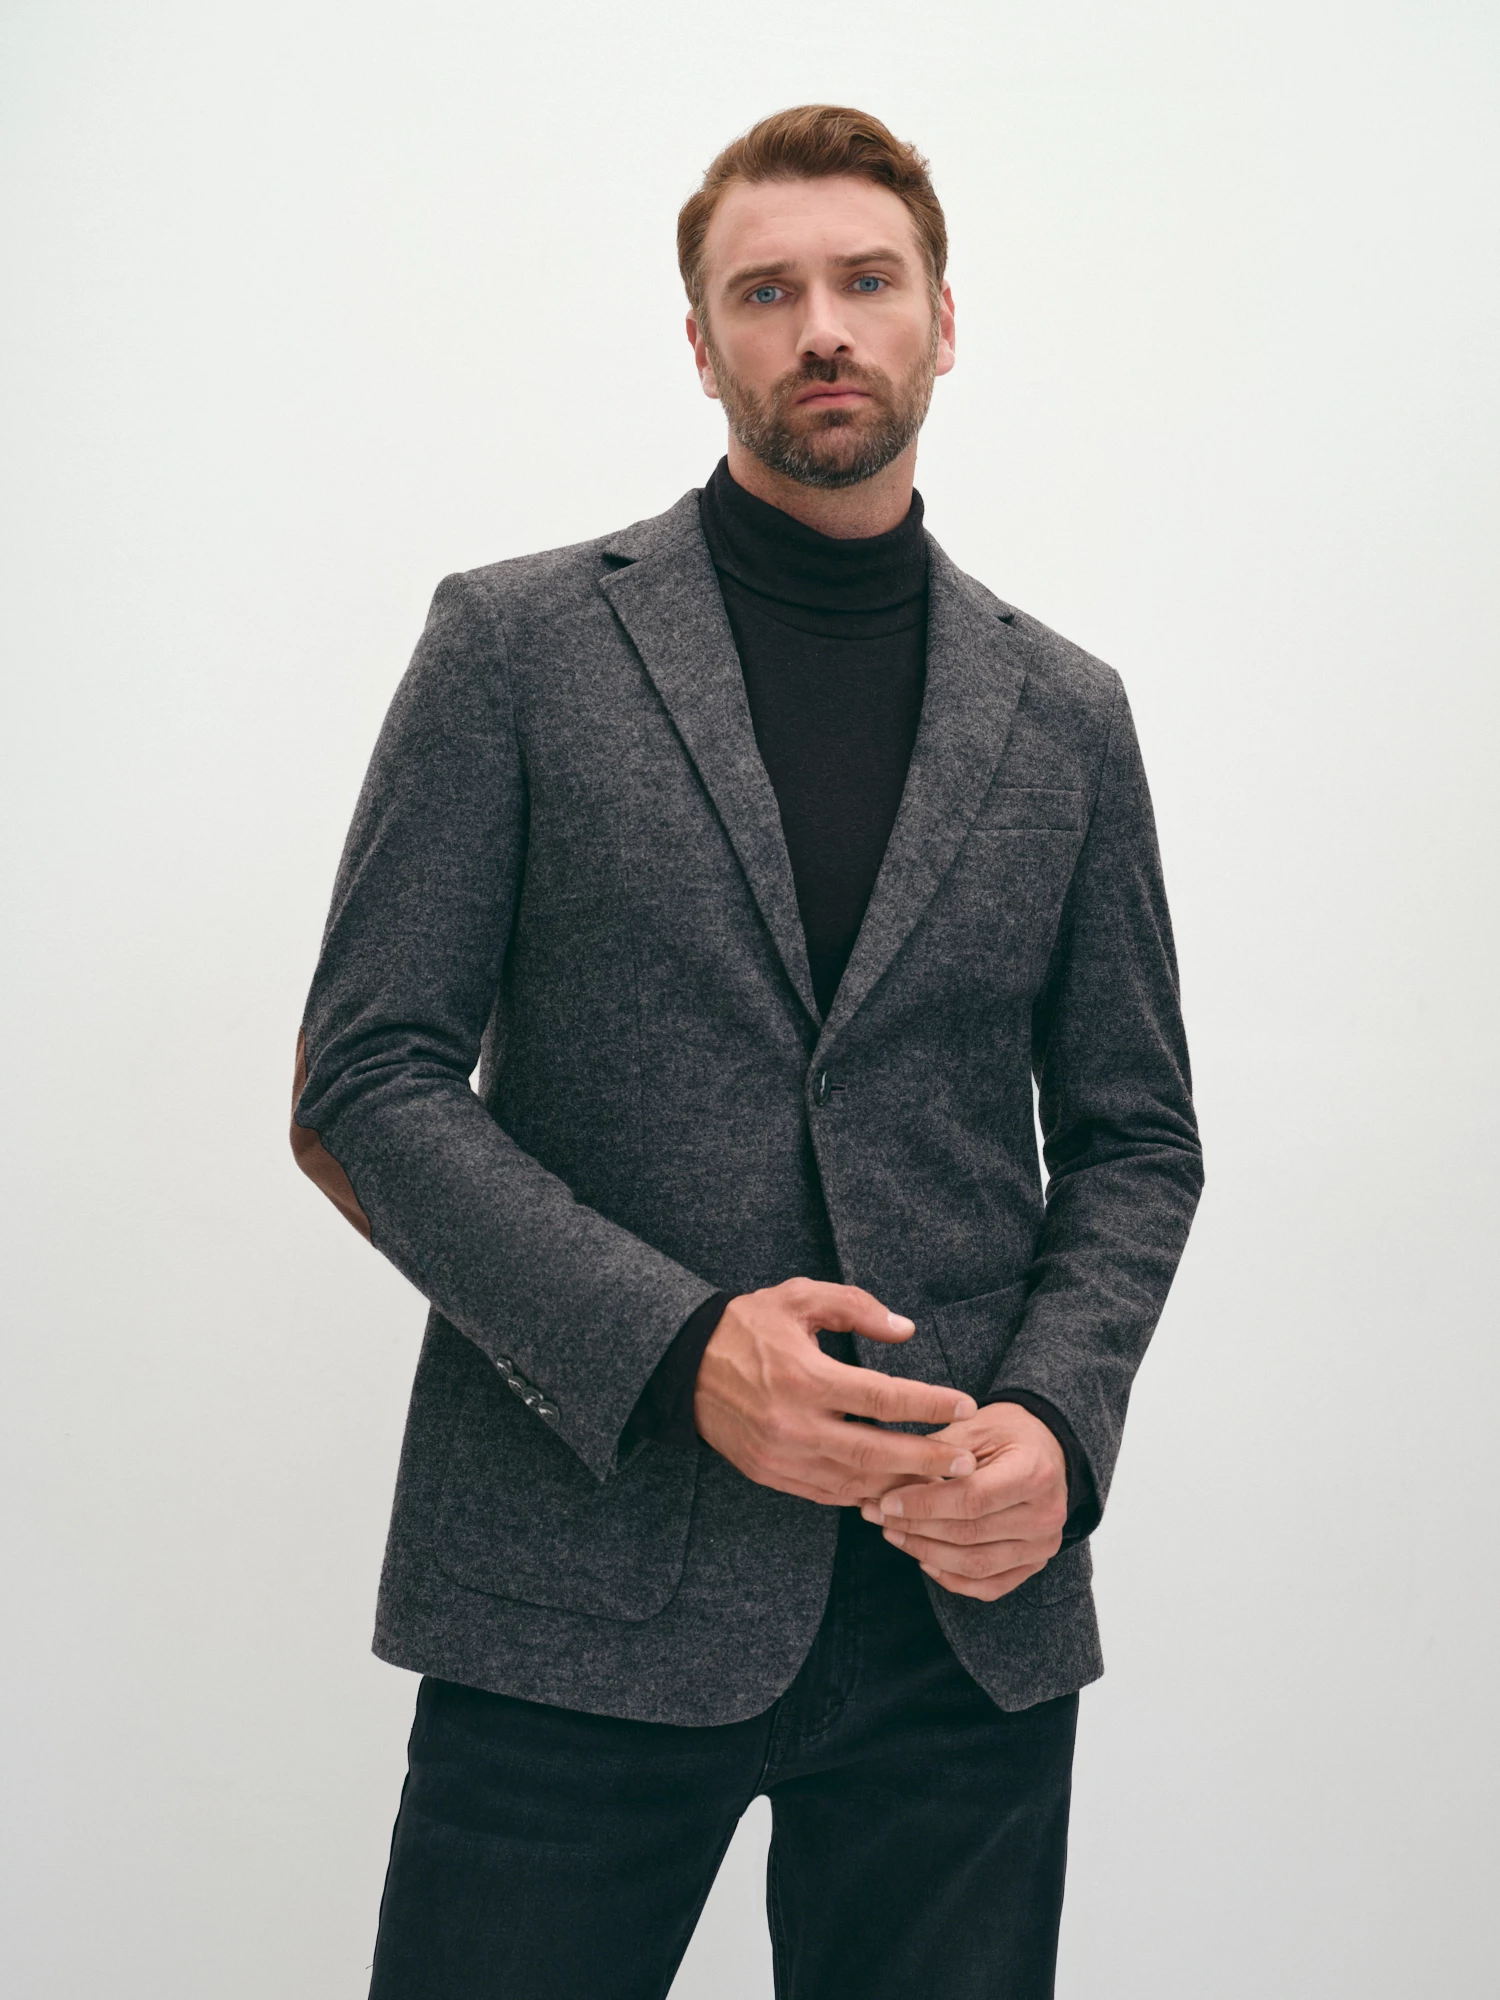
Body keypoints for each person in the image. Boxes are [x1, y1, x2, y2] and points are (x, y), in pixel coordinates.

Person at [292, 102, 1203, 2000]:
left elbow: (1134, 1137)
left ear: (944, 320)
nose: (824, 328)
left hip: (958, 1617)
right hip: (574, 1582)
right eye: (766, 292)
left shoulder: (1067, 712)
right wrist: (680, 1352)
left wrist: (1060, 1428)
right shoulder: (517, 645)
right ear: (701, 344)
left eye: (868, 281)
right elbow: (365, 1080)